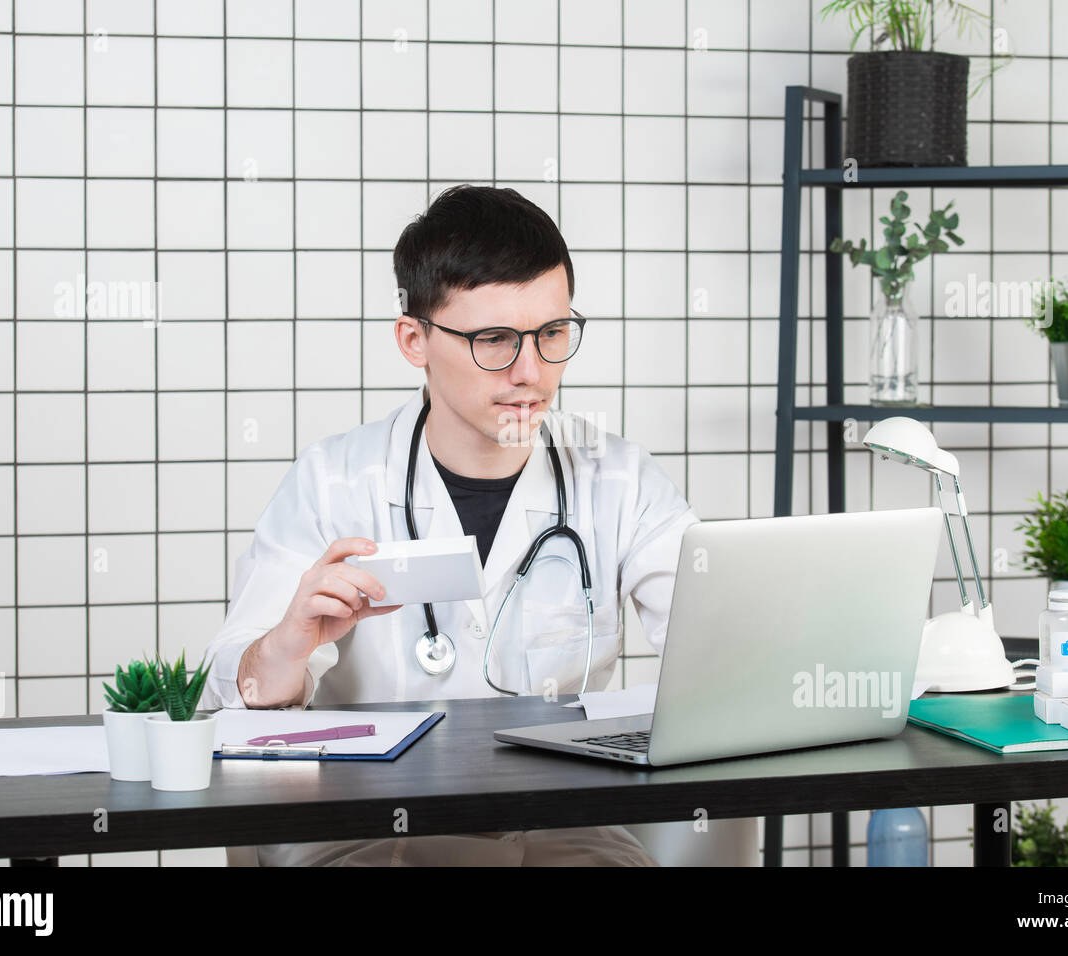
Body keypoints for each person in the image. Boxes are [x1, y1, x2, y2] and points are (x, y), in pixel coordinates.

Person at [201, 184, 698, 866]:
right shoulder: (334, 481)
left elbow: (718, 645)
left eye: (552, 334)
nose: (532, 372)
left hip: (557, 822)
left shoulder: (618, 479)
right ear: (415, 340)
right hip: (365, 818)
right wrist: (284, 650)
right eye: (495, 340)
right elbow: (236, 688)